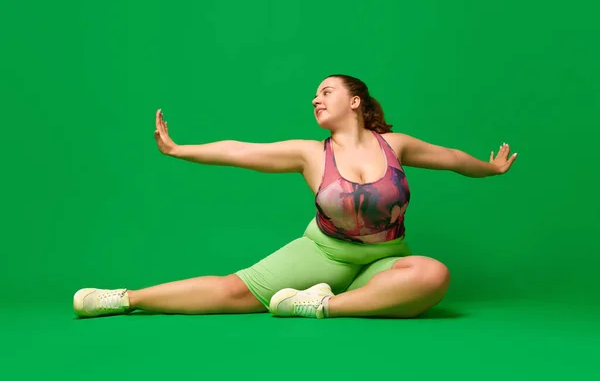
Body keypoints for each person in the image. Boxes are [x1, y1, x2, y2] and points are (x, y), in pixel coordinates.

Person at [73, 74, 517, 320]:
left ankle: (319, 305)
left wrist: (490, 167)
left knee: (432, 275)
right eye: (314, 96)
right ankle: (124, 298)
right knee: (231, 291)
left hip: (384, 260)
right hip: (322, 254)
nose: (315, 100)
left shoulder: (395, 145)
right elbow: (239, 151)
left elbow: (453, 157)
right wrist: (177, 149)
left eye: (326, 92)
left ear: (357, 101)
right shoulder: (309, 154)